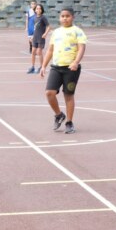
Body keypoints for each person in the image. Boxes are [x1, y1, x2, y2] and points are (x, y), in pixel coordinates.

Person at [40, 7, 87, 135]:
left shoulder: (77, 31)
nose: (65, 18)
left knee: (68, 95)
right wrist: (43, 66)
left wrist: (76, 62)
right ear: (60, 18)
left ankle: (69, 122)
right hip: (56, 67)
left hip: (70, 68)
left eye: (67, 16)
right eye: (62, 16)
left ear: (72, 17)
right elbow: (50, 50)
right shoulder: (56, 32)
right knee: (49, 92)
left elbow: (81, 48)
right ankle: (59, 115)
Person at [29, 3, 51, 74]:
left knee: (39, 52)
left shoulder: (43, 17)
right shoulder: (34, 17)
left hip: (41, 38)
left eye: (40, 9)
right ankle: (32, 67)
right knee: (33, 52)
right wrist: (32, 36)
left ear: (42, 10)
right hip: (35, 37)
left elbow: (49, 26)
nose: (38, 10)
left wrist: (45, 34)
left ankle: (42, 66)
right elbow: (35, 28)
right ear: (35, 10)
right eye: (37, 9)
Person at [25, 0, 37, 72]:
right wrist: (26, 27)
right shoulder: (29, 11)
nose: (33, 5)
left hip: (35, 26)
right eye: (32, 4)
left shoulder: (37, 11)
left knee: (34, 38)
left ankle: (33, 49)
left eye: (34, 4)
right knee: (30, 39)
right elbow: (27, 20)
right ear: (30, 5)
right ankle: (30, 46)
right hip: (30, 26)